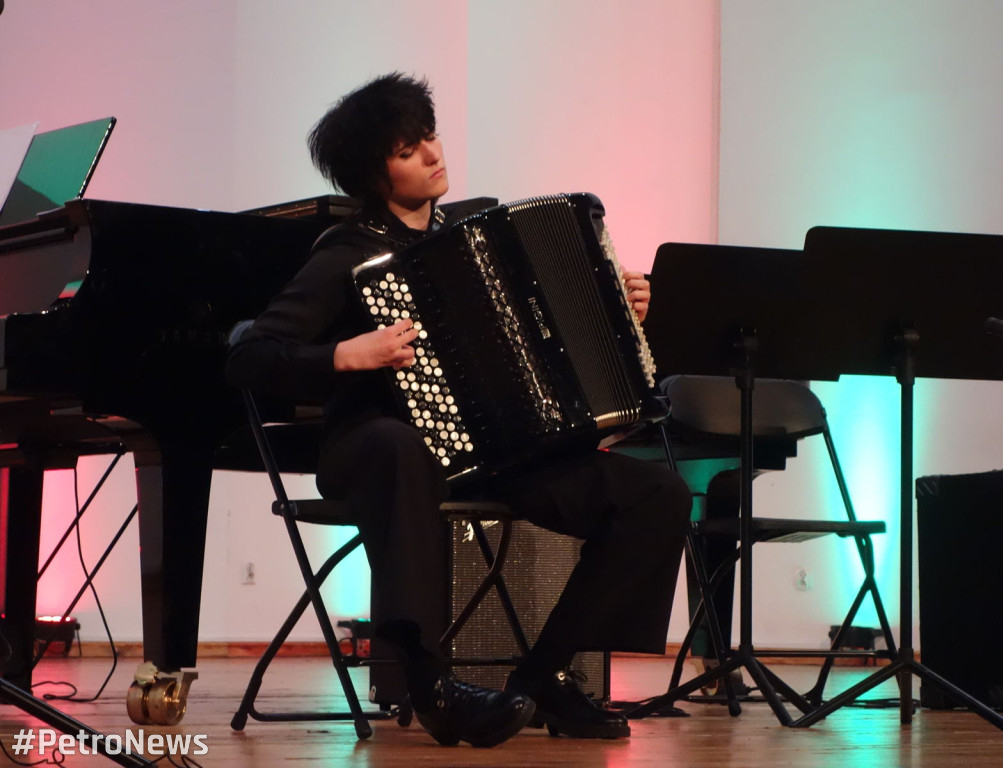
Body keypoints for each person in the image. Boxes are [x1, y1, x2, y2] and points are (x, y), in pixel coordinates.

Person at [225, 72, 692, 748]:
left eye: (429, 137)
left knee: (657, 493)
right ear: (373, 174)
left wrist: (620, 311)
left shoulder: (481, 241)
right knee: (400, 446)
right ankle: (430, 685)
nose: (432, 154)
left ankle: (542, 681)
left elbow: (554, 340)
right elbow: (249, 357)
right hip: (375, 447)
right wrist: (345, 355)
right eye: (407, 149)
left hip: (494, 453)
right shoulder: (347, 257)